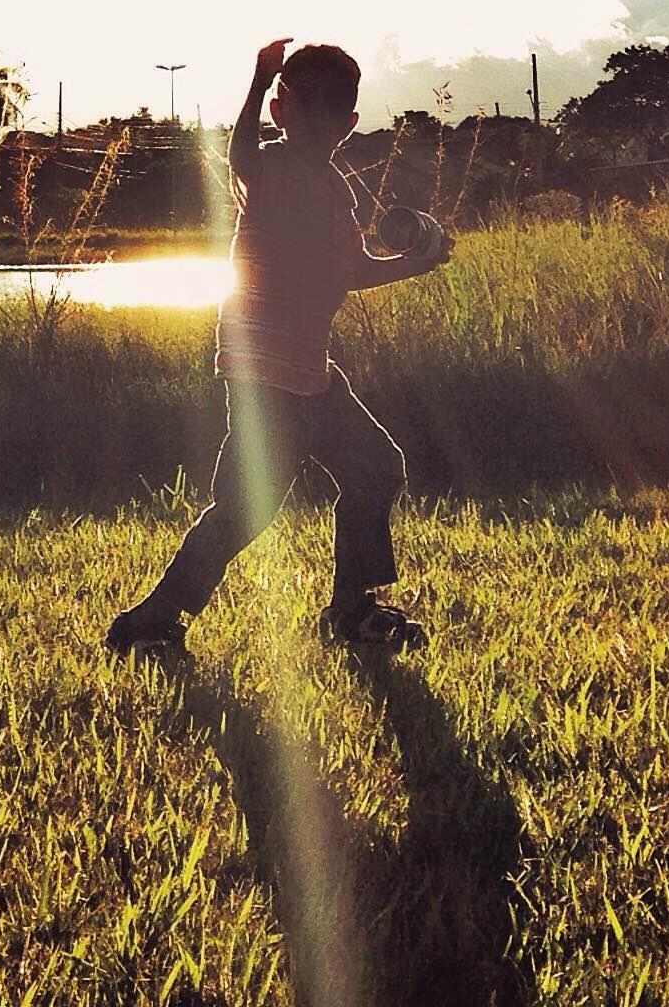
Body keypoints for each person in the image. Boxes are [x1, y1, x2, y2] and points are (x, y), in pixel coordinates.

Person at [105, 36, 449, 655]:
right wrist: (259, 78)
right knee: (245, 509)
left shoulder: (334, 189)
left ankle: (351, 610)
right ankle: (148, 621)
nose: (318, 119)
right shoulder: (269, 169)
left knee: (375, 467)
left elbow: (352, 269)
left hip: (310, 373)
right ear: (281, 113)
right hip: (263, 372)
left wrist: (412, 263)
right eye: (303, 103)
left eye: (332, 106)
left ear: (348, 121)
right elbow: (239, 152)